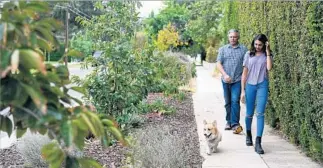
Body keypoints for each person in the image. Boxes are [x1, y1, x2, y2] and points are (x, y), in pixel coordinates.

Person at [240, 34, 273, 154]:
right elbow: (244, 74)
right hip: (250, 86)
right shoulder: (248, 54)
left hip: (262, 85)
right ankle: (248, 134)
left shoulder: (267, 55)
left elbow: (269, 68)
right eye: (256, 44)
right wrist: (242, 91)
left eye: (260, 44)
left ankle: (258, 142)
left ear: (264, 44)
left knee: (260, 113)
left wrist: (268, 51)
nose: (257, 46)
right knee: (249, 113)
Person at [216, 29, 248, 134]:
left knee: (235, 101)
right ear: (228, 37)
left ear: (238, 37)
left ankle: (235, 124)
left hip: (237, 80)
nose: (233, 39)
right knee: (228, 102)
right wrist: (225, 75)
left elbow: (246, 66)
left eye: (234, 37)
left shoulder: (244, 50)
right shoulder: (223, 49)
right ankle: (228, 122)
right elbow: (218, 64)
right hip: (225, 80)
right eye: (231, 37)